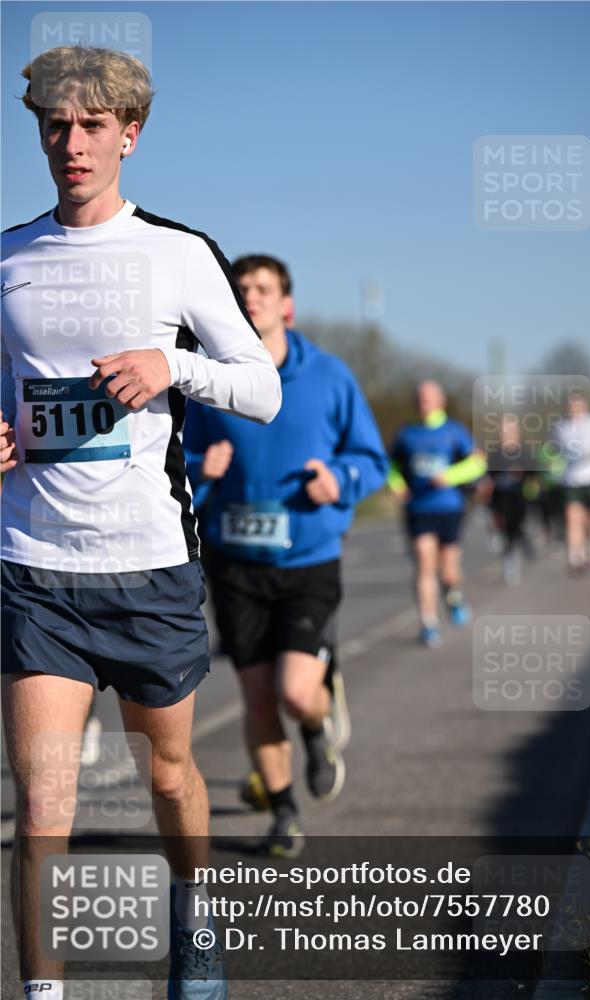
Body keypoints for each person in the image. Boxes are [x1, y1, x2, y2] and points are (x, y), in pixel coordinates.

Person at [1, 45, 280, 1000]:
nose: (70, 144)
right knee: (43, 807)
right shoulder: (9, 257)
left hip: (149, 566)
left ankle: (195, 916)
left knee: (168, 779)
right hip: (33, 565)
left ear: (129, 133)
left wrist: (175, 369)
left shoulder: (179, 254)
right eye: (53, 126)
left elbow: (264, 389)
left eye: (89, 126)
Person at [184, 254, 387, 858]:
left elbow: (372, 459)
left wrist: (341, 478)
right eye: (241, 289)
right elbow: (168, 460)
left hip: (309, 559)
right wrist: (200, 467)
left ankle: (319, 720)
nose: (251, 298)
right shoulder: (204, 379)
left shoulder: (329, 376)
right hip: (234, 562)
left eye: (263, 289)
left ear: (286, 305)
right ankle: (283, 811)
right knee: (255, 695)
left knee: (296, 692)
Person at [388, 381, 486, 648]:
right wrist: (397, 485)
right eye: (420, 397)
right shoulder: (406, 434)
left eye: (429, 397)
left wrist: (450, 476)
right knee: (424, 561)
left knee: (449, 570)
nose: (424, 402)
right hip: (418, 508)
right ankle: (428, 623)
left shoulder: (455, 431)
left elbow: (478, 463)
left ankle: (453, 595)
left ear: (441, 401)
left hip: (449, 507)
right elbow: (391, 465)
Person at [552, 391, 590, 573]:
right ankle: (575, 556)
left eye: (577, 405)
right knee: (572, 518)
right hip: (571, 479)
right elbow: (555, 449)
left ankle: (588, 546)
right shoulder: (561, 427)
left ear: (585, 406)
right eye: (571, 406)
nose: (574, 409)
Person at [486, 414, 535, 586]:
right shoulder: (495, 454)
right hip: (500, 500)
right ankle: (510, 563)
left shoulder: (525, 452)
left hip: (519, 499)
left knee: (516, 530)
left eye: (511, 428)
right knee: (504, 533)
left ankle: (524, 543)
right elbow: (488, 477)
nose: (507, 432)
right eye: (504, 428)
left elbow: (534, 474)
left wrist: (522, 473)